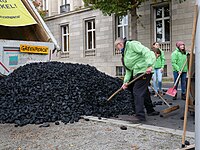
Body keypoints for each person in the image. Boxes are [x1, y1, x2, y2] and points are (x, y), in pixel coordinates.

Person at [114, 37, 159, 122]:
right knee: (142, 90)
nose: (118, 50)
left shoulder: (132, 45)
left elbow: (147, 52)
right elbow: (128, 70)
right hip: (137, 72)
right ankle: (150, 110)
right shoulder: (125, 54)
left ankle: (140, 116)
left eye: (117, 48)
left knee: (137, 91)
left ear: (120, 44)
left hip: (144, 71)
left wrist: (149, 65)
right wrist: (125, 82)